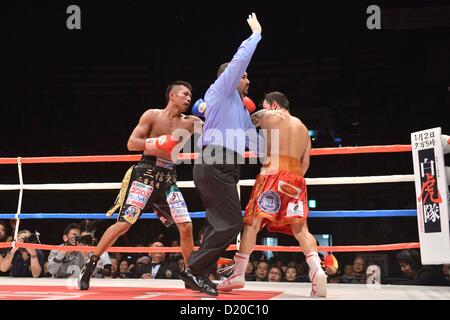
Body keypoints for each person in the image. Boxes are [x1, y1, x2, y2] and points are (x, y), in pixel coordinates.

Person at [78, 80, 202, 290]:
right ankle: (90, 265)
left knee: (186, 225)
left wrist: (219, 108)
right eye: (184, 94)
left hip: (169, 177)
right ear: (172, 95)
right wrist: (157, 143)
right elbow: (131, 143)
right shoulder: (152, 115)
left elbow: (216, 132)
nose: (189, 98)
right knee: (124, 224)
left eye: (190, 95)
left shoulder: (191, 122)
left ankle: (190, 274)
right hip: (145, 173)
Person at [180, 13, 263, 297]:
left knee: (221, 223)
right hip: (215, 160)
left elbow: (257, 144)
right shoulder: (221, 90)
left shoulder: (240, 109)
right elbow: (239, 62)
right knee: (231, 223)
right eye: (245, 76)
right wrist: (255, 36)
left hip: (226, 166)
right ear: (231, 78)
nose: (248, 79)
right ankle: (193, 269)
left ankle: (198, 272)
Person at [217, 91, 328, 297]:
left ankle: (239, 273)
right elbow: (305, 164)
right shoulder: (303, 129)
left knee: (252, 223)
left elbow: (242, 124)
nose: (264, 108)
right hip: (296, 179)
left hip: (272, 174)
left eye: (265, 105)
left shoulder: (270, 116)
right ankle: (316, 269)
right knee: (300, 228)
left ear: (274, 105)